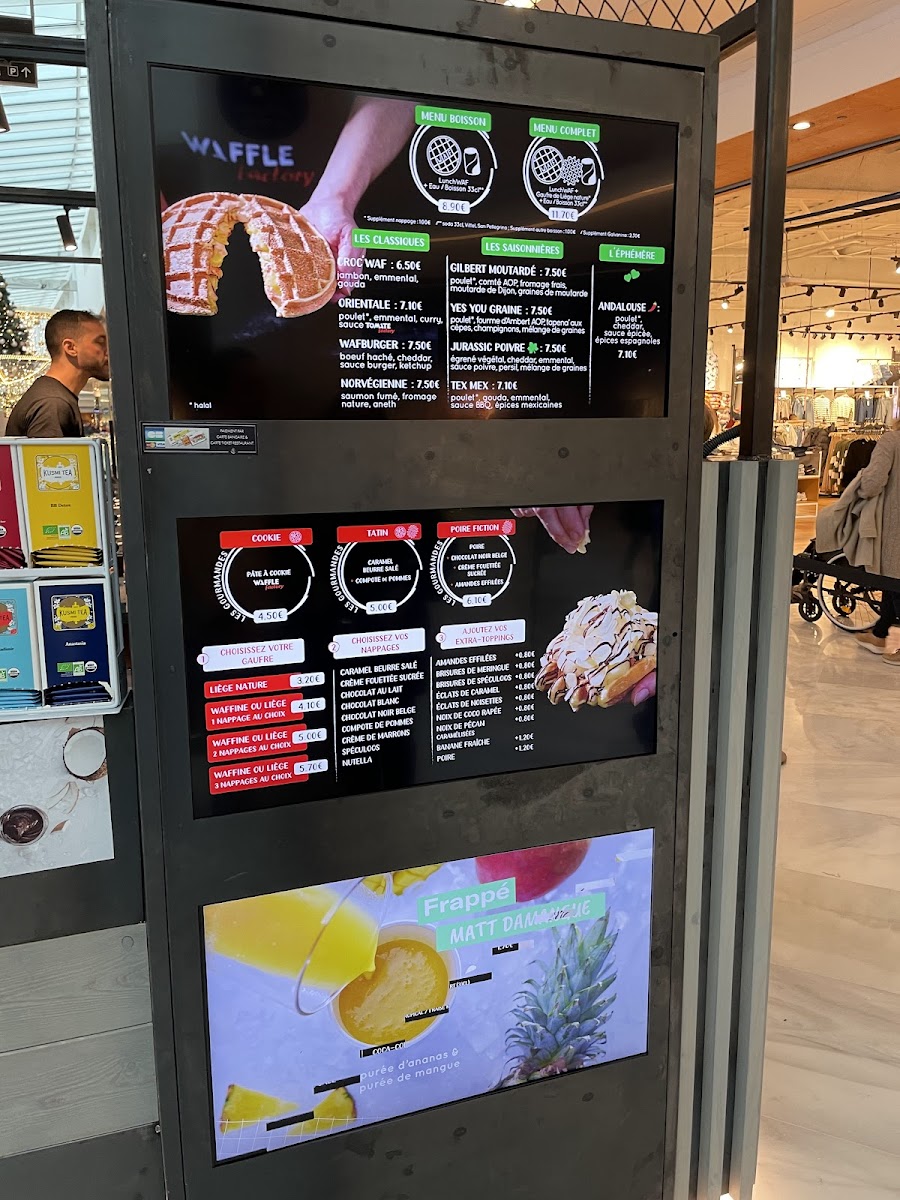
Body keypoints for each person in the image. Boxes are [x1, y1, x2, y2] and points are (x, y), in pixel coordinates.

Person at [5, 310, 110, 438]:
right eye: (100, 342)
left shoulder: (55, 398)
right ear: (70, 348)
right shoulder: (53, 403)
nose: (108, 350)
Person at [854, 422, 900, 665]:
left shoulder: (892, 441)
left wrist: (858, 491)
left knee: (894, 577)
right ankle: (880, 633)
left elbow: (872, 482)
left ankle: (880, 634)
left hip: (895, 523)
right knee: (891, 579)